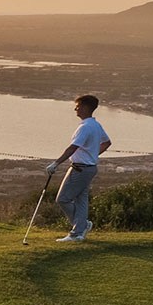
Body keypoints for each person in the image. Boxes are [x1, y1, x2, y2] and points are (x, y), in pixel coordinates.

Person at [47, 93, 112, 242]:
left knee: (62, 199)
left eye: (77, 106)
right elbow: (107, 142)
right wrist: (93, 155)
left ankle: (79, 229)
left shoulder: (85, 127)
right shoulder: (95, 125)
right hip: (89, 168)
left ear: (85, 107)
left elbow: (73, 148)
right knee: (81, 201)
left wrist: (55, 163)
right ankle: (79, 231)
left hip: (80, 169)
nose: (75, 109)